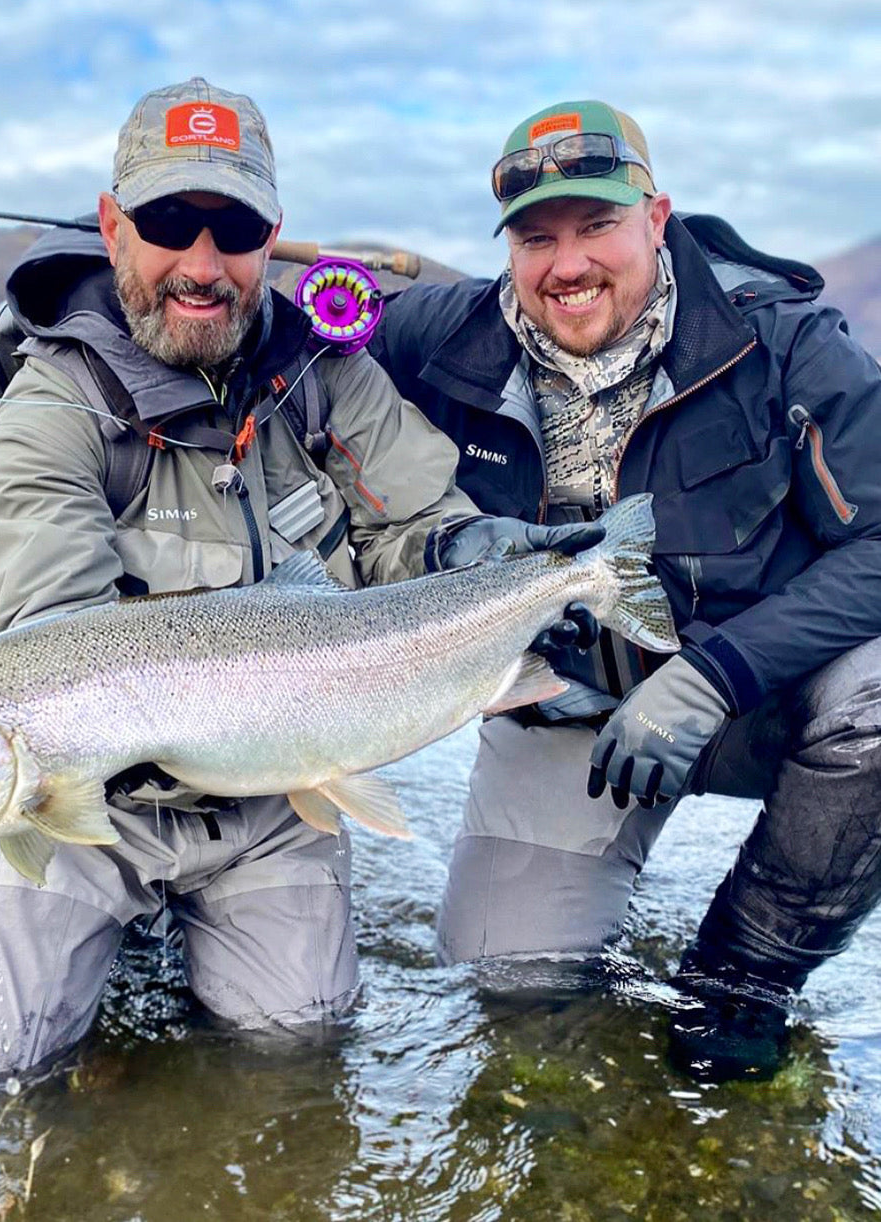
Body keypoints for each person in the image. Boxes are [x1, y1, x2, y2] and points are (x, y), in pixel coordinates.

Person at [0, 79, 596, 1080]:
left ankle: (164, 942)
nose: (201, 266)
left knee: (295, 1049)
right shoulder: (49, 412)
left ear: (269, 236)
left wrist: (463, 561)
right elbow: (63, 651)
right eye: (168, 223)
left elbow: (419, 520)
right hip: (92, 809)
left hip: (271, 800)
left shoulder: (325, 375)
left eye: (233, 228)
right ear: (114, 226)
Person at [370, 99, 881, 1082]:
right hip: (566, 715)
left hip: (756, 695)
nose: (567, 265)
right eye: (535, 236)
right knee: (508, 989)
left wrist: (710, 677)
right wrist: (63, 304)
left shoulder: (780, 339)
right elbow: (261, 334)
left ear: (656, 216)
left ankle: (739, 986)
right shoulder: (444, 336)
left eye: (596, 225)